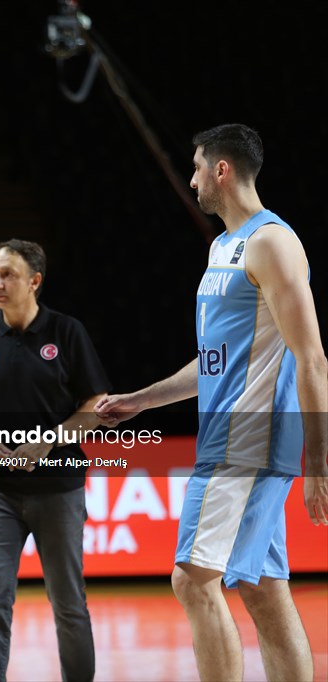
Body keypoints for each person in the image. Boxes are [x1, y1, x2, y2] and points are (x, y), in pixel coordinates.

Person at [96, 123, 328, 682]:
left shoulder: (273, 242)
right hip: (231, 434)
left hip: (247, 439)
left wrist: (319, 463)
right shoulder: (224, 247)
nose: (192, 176)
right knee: (262, 586)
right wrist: (143, 401)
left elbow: (313, 357)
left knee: (191, 578)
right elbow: (218, 362)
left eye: (197, 166)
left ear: (222, 170)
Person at [0, 239, 109, 682]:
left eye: (8, 275)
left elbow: (95, 402)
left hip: (59, 490)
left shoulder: (66, 333)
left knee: (68, 603)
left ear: (35, 282)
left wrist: (49, 442)